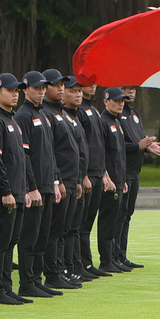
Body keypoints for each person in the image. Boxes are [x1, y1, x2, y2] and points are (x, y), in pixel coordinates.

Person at [0, 73, 37, 304]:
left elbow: (22, 159)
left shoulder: (13, 119)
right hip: (5, 195)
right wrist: (6, 191)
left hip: (18, 192)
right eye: (11, 90)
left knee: (10, 242)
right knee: (0, 243)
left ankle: (6, 288)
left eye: (18, 91)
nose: (15, 94)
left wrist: (25, 188)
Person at [15, 70, 61, 299]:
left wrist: (54, 180)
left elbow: (49, 153)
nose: (41, 91)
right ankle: (27, 281)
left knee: (43, 235)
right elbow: (24, 156)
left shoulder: (43, 114)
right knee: (30, 237)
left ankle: (37, 278)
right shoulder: (23, 115)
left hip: (46, 185)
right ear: (25, 89)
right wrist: (31, 186)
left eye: (44, 88)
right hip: (34, 188)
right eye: (37, 88)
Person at [116, 86, 160, 269]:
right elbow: (118, 145)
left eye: (133, 89)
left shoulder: (134, 114)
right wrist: (138, 145)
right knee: (118, 216)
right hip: (123, 172)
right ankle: (112, 257)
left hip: (135, 172)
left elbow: (139, 139)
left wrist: (148, 145)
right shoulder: (116, 115)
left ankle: (122, 255)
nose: (131, 93)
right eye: (126, 89)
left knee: (127, 214)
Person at [42, 68, 82, 290]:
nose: (60, 88)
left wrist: (75, 179)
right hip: (59, 181)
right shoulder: (47, 113)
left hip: (69, 179)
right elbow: (51, 152)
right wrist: (58, 180)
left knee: (63, 229)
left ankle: (60, 270)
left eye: (61, 85)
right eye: (55, 85)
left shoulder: (61, 113)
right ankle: (52, 273)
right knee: (55, 230)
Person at [76, 83, 111, 277]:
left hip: (98, 172)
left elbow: (99, 145)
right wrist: (84, 175)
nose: (92, 86)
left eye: (94, 83)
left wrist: (104, 172)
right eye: (86, 84)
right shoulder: (80, 111)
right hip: (87, 174)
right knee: (81, 223)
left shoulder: (94, 110)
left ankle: (86, 263)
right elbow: (82, 146)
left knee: (88, 223)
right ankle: (82, 263)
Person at [62, 78, 93, 280]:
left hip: (76, 180)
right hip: (64, 181)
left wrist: (82, 176)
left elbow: (81, 151)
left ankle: (74, 266)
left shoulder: (74, 117)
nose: (78, 94)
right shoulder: (60, 116)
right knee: (62, 230)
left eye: (80, 91)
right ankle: (62, 269)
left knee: (74, 227)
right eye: (73, 91)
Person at [97, 87, 129, 274]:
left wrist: (122, 179)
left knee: (117, 220)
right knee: (108, 221)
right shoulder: (104, 122)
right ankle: (106, 259)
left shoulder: (117, 122)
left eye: (122, 101)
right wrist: (106, 176)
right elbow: (102, 153)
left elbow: (119, 155)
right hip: (109, 182)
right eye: (117, 100)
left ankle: (114, 257)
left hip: (118, 180)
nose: (120, 103)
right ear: (106, 101)